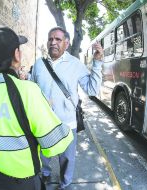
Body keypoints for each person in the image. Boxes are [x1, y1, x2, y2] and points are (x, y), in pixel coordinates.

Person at [0, 26, 74, 190]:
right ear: (16, 55)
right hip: (20, 182)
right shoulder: (27, 91)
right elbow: (55, 146)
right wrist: (46, 109)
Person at [30, 26, 103, 190]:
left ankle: (65, 184)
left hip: (67, 125)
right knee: (43, 157)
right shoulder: (39, 64)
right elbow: (31, 87)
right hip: (42, 125)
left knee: (67, 160)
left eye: (58, 39)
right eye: (50, 39)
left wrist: (97, 63)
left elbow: (92, 89)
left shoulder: (75, 64)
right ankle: (45, 175)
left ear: (67, 43)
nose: (53, 42)